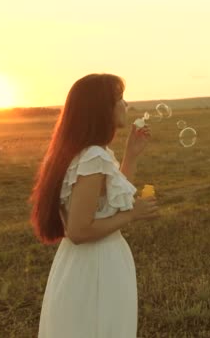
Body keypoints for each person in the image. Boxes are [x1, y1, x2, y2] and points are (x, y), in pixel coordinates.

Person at [29, 73, 159, 337]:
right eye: (119, 99)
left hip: (81, 264)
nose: (126, 105)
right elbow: (79, 230)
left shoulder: (86, 153)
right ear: (101, 110)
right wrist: (132, 215)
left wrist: (131, 156)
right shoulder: (93, 156)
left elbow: (107, 202)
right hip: (96, 266)